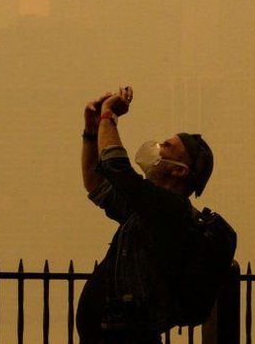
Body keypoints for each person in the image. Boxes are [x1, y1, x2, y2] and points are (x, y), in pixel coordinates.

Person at [76, 86, 220, 343]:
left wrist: (108, 116)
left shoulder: (170, 210)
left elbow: (116, 168)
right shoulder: (146, 210)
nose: (157, 146)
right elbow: (96, 184)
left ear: (179, 171)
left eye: (166, 146)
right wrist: (91, 131)